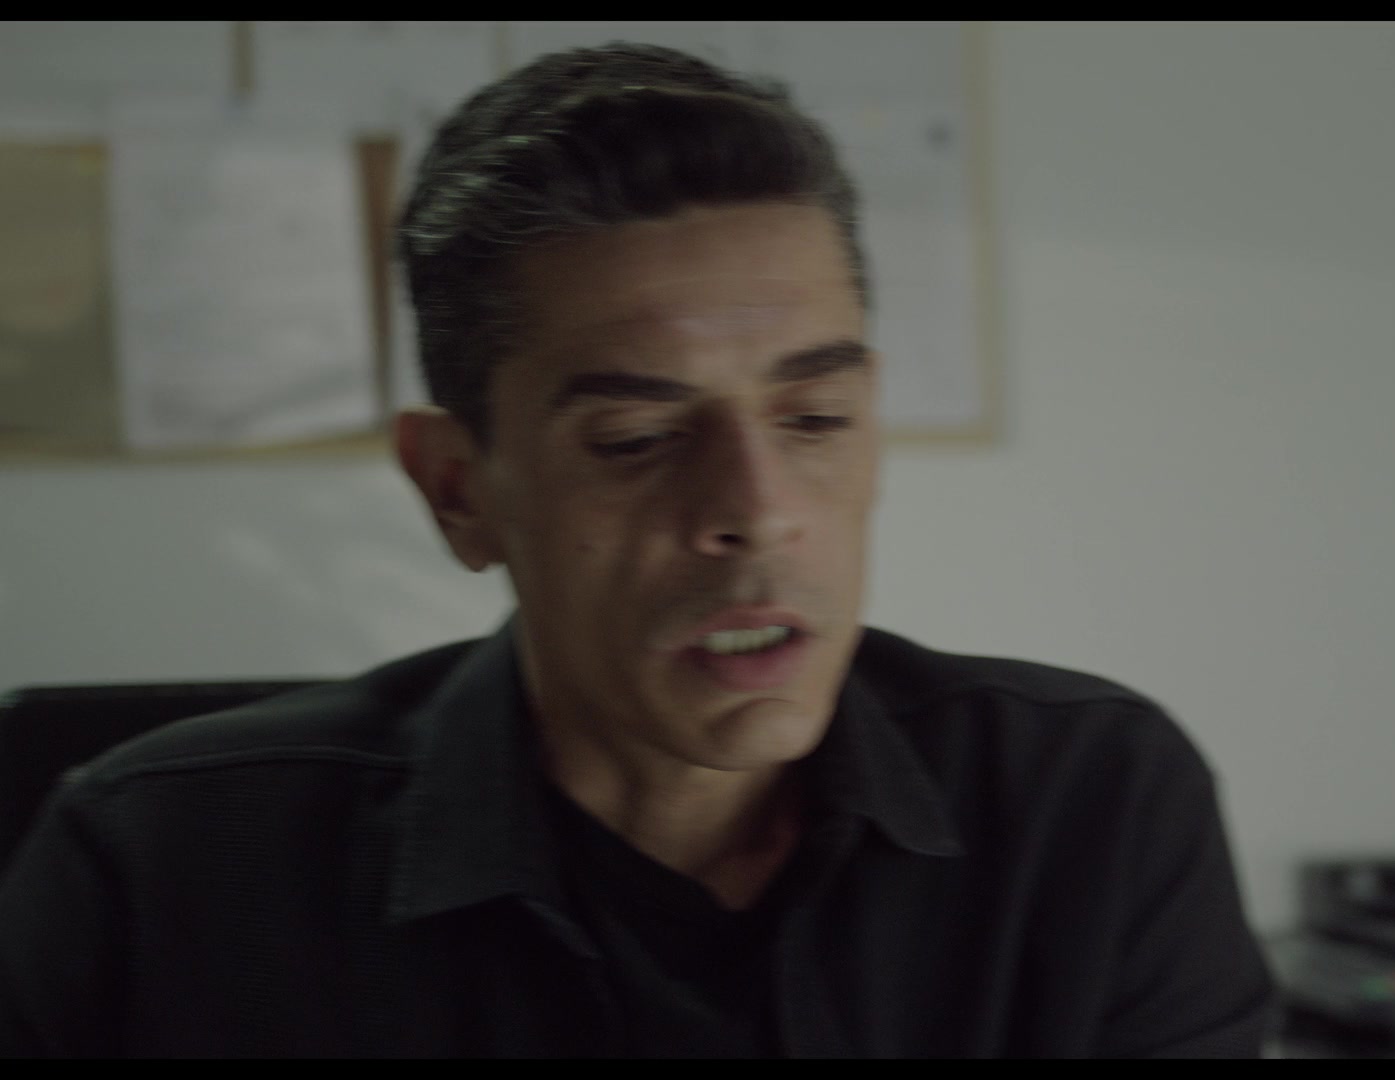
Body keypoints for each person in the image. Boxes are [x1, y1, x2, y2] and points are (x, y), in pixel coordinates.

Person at [0, 43, 1275, 1057]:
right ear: (459, 490)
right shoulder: (158, 875)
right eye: (638, 437)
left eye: (815, 419)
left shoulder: (1090, 810)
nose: (758, 510)